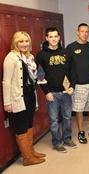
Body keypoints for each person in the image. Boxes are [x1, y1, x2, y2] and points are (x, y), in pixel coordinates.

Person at [2, 31, 45, 166]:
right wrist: (7, 102)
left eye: (26, 41)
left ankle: (30, 151)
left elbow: (32, 76)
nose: (24, 44)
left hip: (30, 96)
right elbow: (6, 81)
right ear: (15, 43)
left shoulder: (29, 57)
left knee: (29, 125)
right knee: (21, 127)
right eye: (21, 41)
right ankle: (27, 158)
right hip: (17, 98)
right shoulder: (11, 58)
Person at [36, 27, 77, 152]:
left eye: (56, 36)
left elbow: (73, 72)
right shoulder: (41, 55)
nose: (53, 39)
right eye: (51, 37)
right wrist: (46, 92)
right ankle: (57, 142)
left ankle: (67, 138)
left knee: (67, 117)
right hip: (52, 93)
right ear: (47, 38)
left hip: (66, 92)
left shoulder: (66, 52)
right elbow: (40, 76)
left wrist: (72, 87)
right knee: (54, 121)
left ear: (59, 37)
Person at [66, 23, 89, 144]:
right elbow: (67, 67)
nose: (85, 34)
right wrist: (70, 84)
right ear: (77, 32)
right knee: (79, 109)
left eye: (87, 31)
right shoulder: (70, 48)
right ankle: (81, 131)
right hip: (79, 84)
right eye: (82, 31)